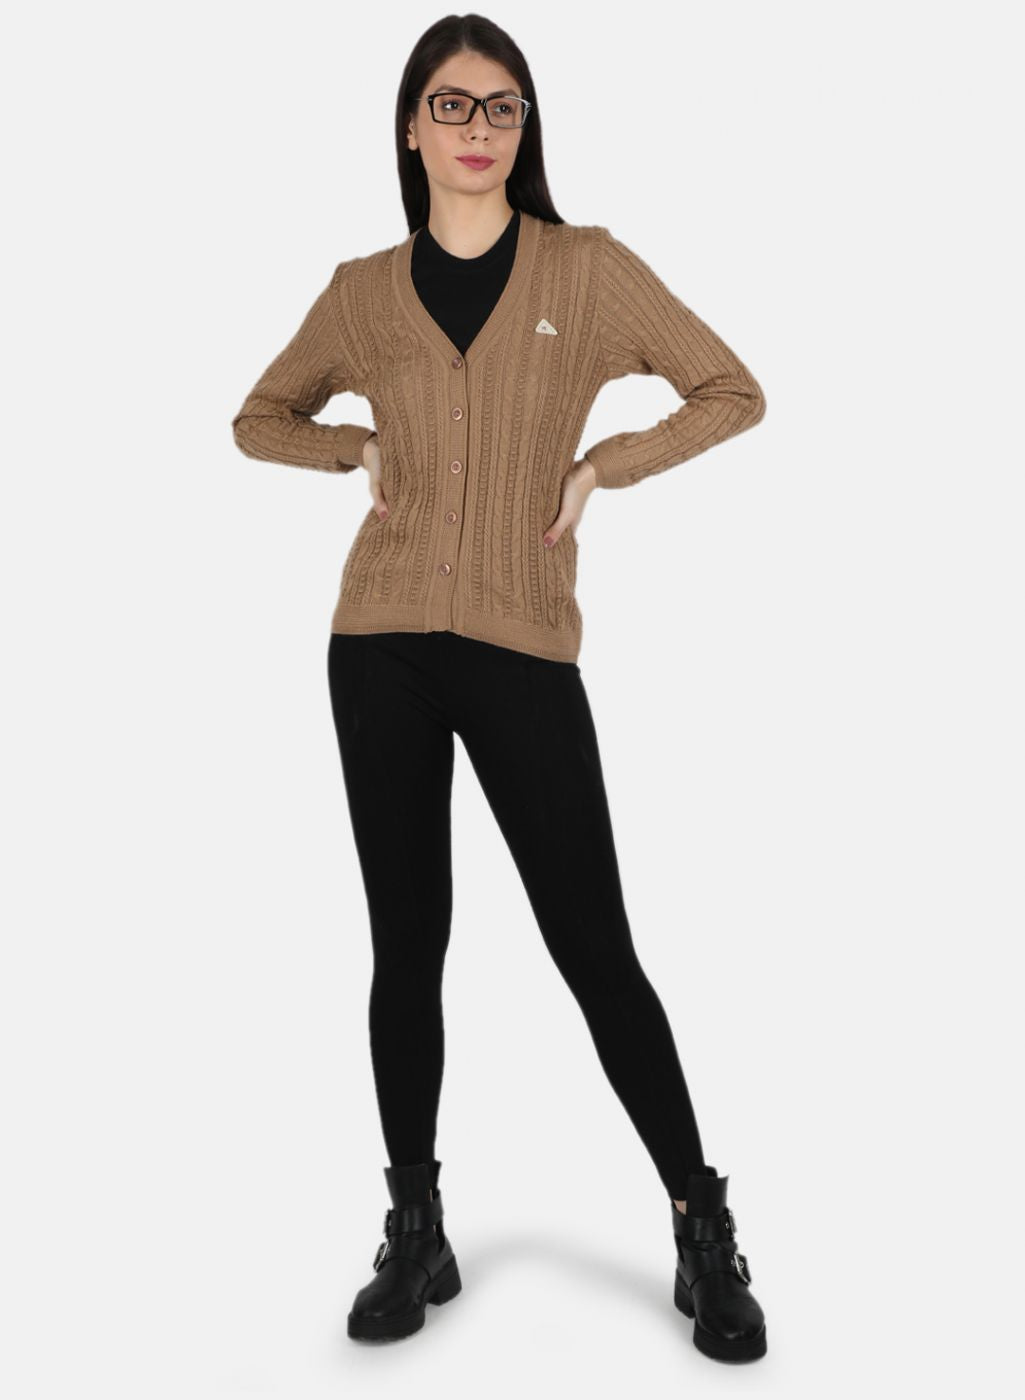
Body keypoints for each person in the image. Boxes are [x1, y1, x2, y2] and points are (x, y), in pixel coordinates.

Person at [231, 15, 768, 1364]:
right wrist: (350, 445)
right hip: (379, 647)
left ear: (525, 130)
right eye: (453, 105)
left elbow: (729, 389)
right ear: (411, 127)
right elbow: (257, 417)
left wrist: (603, 467)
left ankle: (700, 1223)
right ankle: (415, 1225)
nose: (479, 129)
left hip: (523, 645)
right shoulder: (361, 292)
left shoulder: (585, 269)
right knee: (406, 942)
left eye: (504, 107)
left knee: (594, 947)